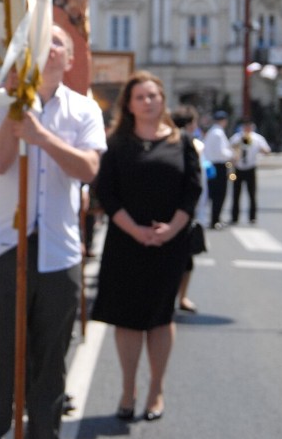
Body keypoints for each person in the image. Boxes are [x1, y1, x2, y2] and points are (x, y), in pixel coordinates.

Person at [0, 25, 106, 439]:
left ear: (70, 59)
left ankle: (44, 431)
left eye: (58, 44)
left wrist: (42, 138)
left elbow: (88, 169)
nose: (49, 49)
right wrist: (17, 116)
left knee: (50, 357)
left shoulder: (85, 110)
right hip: (6, 245)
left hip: (58, 248)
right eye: (40, 43)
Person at [90, 71, 201, 422]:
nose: (148, 101)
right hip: (126, 241)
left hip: (170, 244)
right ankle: (127, 389)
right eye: (140, 97)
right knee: (127, 318)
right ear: (129, 104)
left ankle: (156, 389)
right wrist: (136, 231)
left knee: (159, 316)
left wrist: (170, 231)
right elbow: (106, 192)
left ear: (163, 100)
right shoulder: (118, 143)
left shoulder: (181, 142)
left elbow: (193, 191)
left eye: (153, 95)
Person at [171, 105, 208, 313]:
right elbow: (197, 183)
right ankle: (176, 297)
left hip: (187, 210)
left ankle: (181, 297)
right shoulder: (190, 145)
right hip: (183, 210)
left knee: (186, 261)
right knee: (181, 260)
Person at [229, 118, 272, 224]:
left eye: (249, 127)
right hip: (238, 168)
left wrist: (262, 150)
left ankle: (252, 217)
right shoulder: (236, 137)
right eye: (246, 126)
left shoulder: (257, 138)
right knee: (236, 194)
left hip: (251, 167)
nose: (247, 129)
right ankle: (235, 217)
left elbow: (267, 150)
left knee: (252, 194)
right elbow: (229, 149)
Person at [202, 110, 233, 229]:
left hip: (211, 165)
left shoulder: (212, 132)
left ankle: (212, 218)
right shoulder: (218, 133)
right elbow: (221, 153)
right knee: (219, 194)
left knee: (211, 193)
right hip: (219, 166)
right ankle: (215, 219)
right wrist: (231, 155)